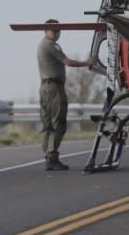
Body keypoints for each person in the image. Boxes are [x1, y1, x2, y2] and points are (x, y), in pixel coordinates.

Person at [38, 20, 96, 171]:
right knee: (58, 122)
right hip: (53, 88)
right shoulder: (50, 45)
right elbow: (67, 61)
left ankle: (48, 156)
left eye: (58, 30)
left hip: (46, 87)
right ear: (46, 31)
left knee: (48, 123)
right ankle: (52, 155)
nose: (57, 33)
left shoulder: (45, 44)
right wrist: (87, 62)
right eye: (54, 30)